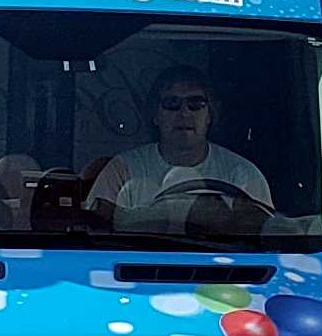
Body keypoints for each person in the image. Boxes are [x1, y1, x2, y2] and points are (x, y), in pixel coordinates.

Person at [86, 66, 271, 224]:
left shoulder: (243, 174)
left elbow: (265, 239)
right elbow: (95, 234)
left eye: (196, 103)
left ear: (211, 114)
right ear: (155, 115)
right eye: (171, 103)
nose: (184, 113)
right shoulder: (121, 171)